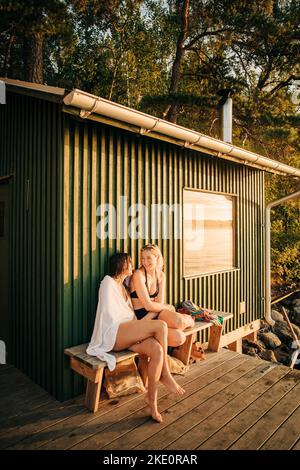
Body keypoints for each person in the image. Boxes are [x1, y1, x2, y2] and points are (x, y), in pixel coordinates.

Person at [87, 252, 185, 423]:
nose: (133, 266)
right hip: (114, 333)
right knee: (160, 326)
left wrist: (138, 329)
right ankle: (165, 373)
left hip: (127, 333)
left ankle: (152, 402)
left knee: (157, 350)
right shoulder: (107, 282)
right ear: (122, 265)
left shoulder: (123, 286)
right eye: (130, 263)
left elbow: (130, 315)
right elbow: (109, 315)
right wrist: (137, 327)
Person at [129, 244, 195, 347]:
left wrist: (158, 307)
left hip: (156, 314)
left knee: (179, 321)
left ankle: (189, 320)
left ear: (157, 258)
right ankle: (187, 319)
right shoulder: (139, 275)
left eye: (148, 258)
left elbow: (158, 304)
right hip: (143, 317)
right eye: (142, 258)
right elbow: (148, 306)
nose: (145, 262)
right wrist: (168, 306)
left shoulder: (161, 276)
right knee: (179, 338)